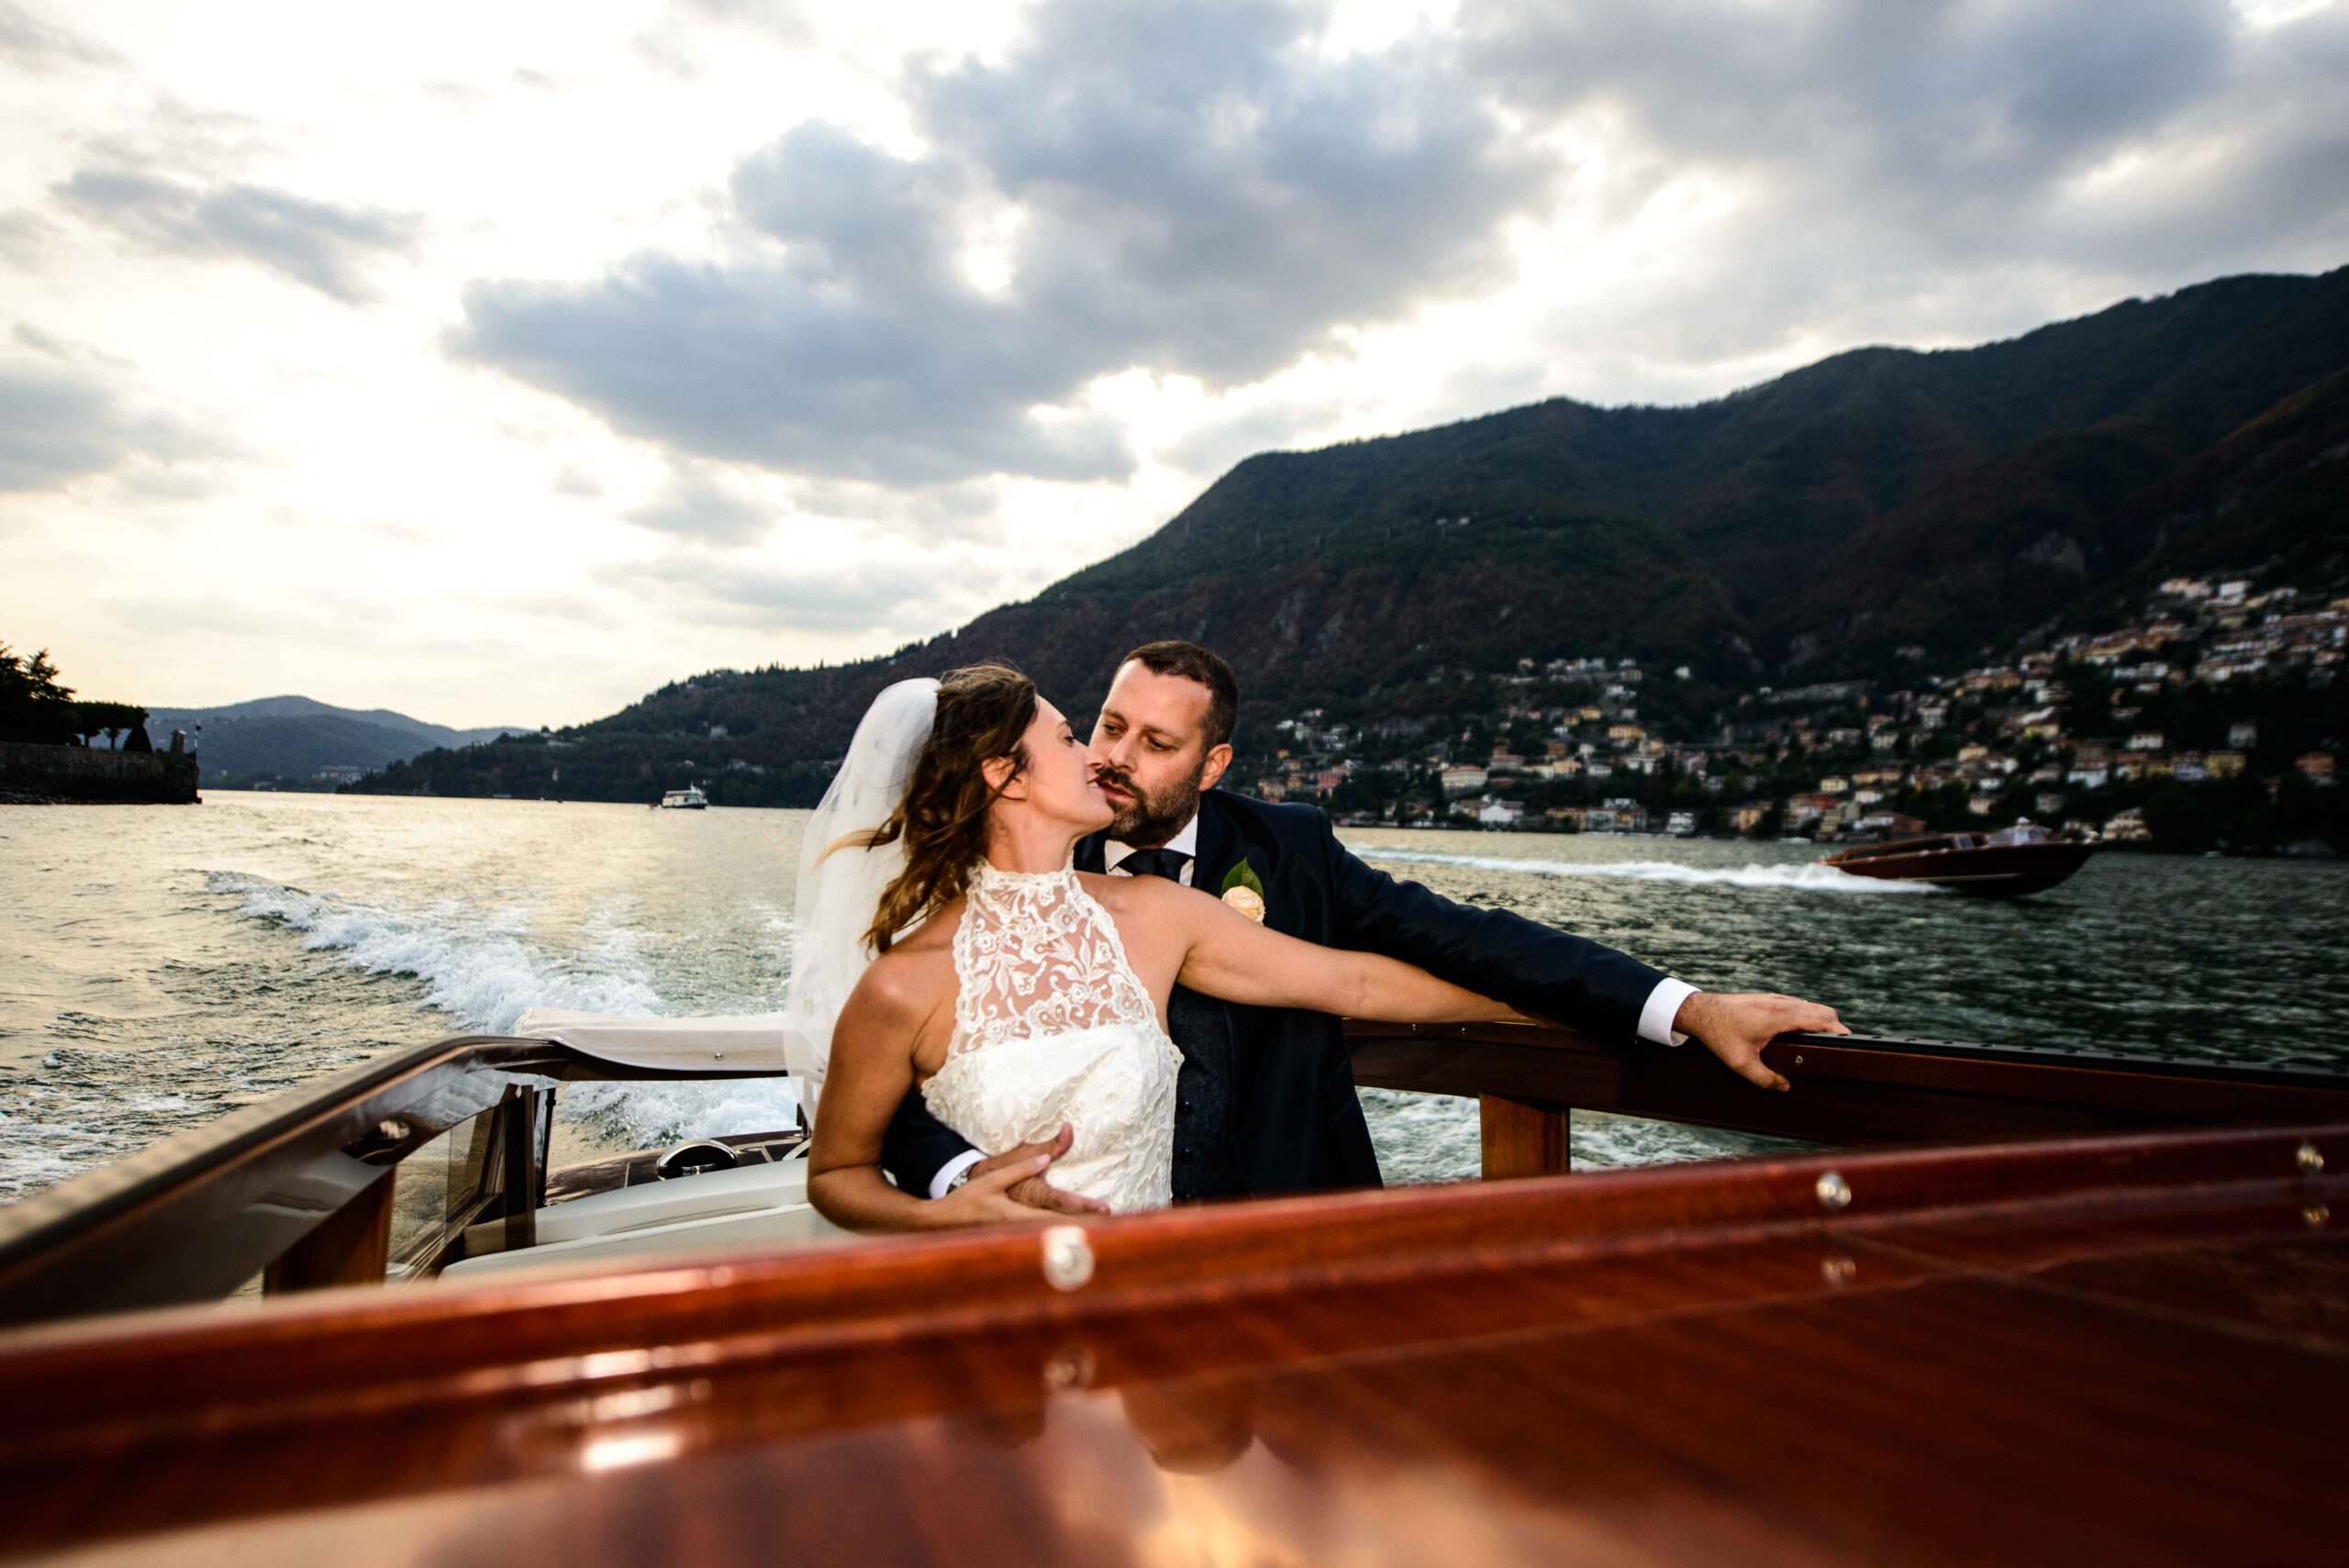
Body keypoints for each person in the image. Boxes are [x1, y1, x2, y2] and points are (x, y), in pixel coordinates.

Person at [878, 640, 1846, 1216]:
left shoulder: (1291, 848)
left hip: (1296, 1217)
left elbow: (1455, 941)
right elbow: (895, 1073)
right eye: (1108, 726)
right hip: (1097, 1229)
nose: (1116, 758)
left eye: (1157, 742)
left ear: (1211, 764)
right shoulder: (1014, 867)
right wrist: (964, 1173)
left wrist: (1679, 1006)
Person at [801, 663, 1521, 1230]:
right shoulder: (900, 985)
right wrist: (945, 1210)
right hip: (1000, 1310)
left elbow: (1356, 985)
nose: (1097, 756)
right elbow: (837, 1175)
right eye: (1070, 736)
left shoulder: (1157, 912)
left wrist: (1532, 1005)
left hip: (1154, 1289)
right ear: (1003, 774)